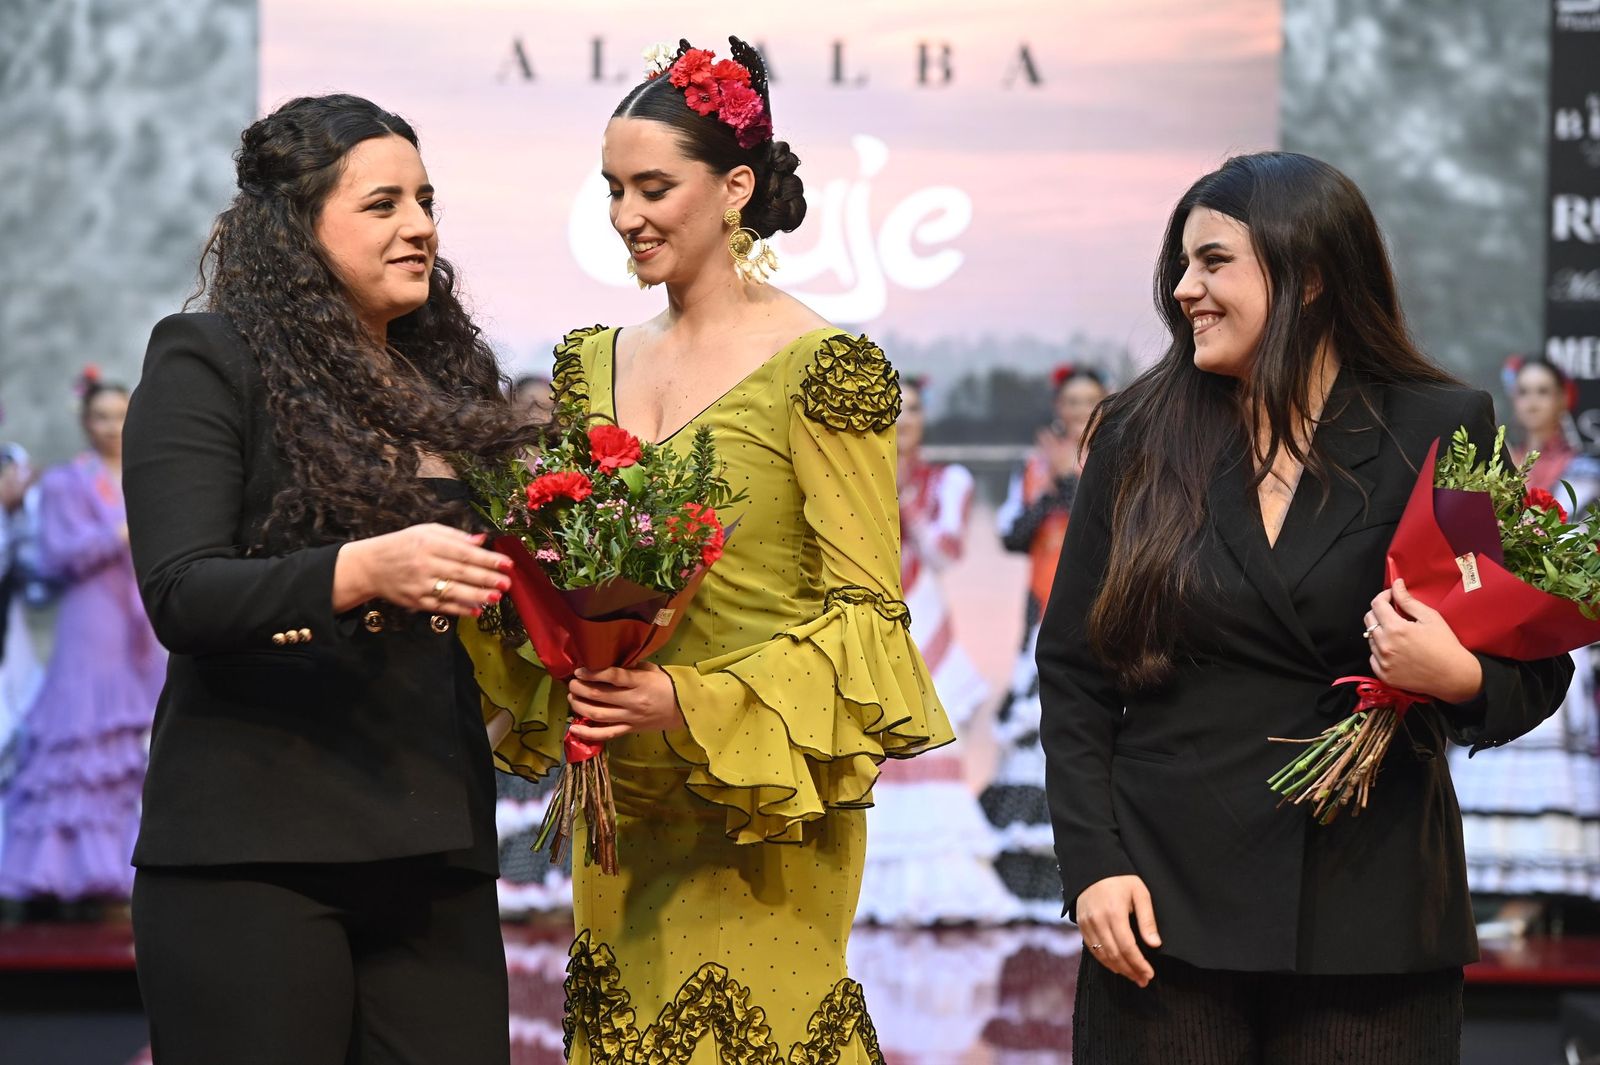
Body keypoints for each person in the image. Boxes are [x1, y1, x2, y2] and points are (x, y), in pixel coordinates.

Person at [465, 37, 952, 1063]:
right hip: (622, 793)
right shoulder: (591, 364)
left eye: (653, 187)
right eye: (611, 190)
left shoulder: (825, 368)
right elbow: (563, 575)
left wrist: (685, 702)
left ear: (734, 187)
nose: (627, 216)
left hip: (762, 799)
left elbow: (868, 617)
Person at [1039, 152, 1573, 1064]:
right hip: (1165, 906)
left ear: (1312, 276)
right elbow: (1075, 673)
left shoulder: (1440, 424)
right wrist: (1094, 863)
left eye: (1213, 262)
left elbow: (1538, 660)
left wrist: (1459, 675)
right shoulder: (1137, 432)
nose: (1183, 289)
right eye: (1181, 264)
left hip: (1373, 917)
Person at [122, 94, 539, 1064]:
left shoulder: (449, 393)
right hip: (253, 853)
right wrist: (359, 570)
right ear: (297, 231)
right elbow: (184, 593)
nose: (422, 226)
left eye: (427, 200)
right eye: (384, 203)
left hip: (434, 846)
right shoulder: (207, 361)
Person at [856, 375, 1017, 925]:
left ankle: (939, 888)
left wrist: (901, 494)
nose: (904, 420)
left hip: (923, 621)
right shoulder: (849, 477)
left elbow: (947, 552)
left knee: (928, 744)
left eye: (915, 410)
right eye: (894, 410)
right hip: (866, 623)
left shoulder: (949, 480)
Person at [0, 376, 159, 911]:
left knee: (137, 751)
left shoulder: (151, 474)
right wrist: (117, 533)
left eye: (120, 415)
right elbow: (54, 555)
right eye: (101, 416)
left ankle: (129, 875)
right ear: (84, 422)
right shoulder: (69, 482)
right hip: (91, 619)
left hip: (145, 617)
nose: (112, 426)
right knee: (82, 746)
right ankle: (61, 877)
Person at [1450, 356, 1600, 919]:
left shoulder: (1587, 472)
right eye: (1526, 392)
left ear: (1565, 398)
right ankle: (1485, 895)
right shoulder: (1500, 470)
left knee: (1552, 725)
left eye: (1545, 391)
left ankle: (1531, 904)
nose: (1533, 402)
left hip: (1563, 633)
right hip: (1497, 631)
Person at [984, 364, 1108, 919]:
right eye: (1071, 400)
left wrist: (1075, 480)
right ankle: (1029, 883)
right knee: (1032, 739)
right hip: (1041, 614)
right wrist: (1055, 481)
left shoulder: (1121, 457)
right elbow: (1011, 536)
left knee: (1088, 732)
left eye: (1090, 399)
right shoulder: (1036, 465)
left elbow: (1118, 527)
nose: (1079, 409)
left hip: (1102, 616)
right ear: (1058, 407)